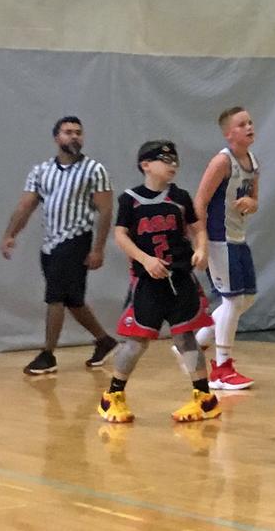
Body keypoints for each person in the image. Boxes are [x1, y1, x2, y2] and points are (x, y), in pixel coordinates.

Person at [98, 140, 220, 423]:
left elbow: (197, 228)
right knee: (136, 342)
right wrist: (145, 259)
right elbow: (120, 236)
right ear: (146, 165)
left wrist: (201, 248)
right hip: (148, 281)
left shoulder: (180, 197)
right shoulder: (130, 199)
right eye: (166, 160)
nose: (172, 166)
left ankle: (204, 398)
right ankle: (112, 396)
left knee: (185, 338)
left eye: (175, 161)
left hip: (180, 278)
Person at [2, 116, 117, 375]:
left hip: (76, 239)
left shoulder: (94, 170)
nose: (74, 136)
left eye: (78, 132)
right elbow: (26, 206)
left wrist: (98, 248)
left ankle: (47, 354)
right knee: (73, 300)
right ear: (57, 138)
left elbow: (106, 211)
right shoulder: (41, 171)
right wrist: (10, 234)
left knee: (55, 296)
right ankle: (104, 340)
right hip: (50, 244)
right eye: (68, 132)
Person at [189, 107, 260, 390]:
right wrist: (201, 242)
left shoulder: (253, 162)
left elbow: (255, 199)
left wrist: (252, 204)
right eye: (242, 124)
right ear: (228, 133)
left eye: (250, 122)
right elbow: (199, 202)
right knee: (232, 301)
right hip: (219, 239)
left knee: (247, 299)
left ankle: (193, 345)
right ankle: (221, 368)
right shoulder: (221, 162)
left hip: (238, 238)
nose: (249, 127)